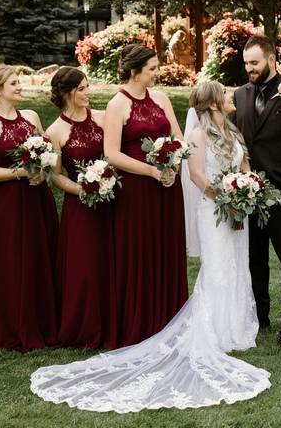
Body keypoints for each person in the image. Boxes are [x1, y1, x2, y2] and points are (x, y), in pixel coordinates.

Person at [30, 81, 270, 412]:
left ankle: (236, 324)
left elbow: (194, 149)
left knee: (236, 265)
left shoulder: (225, 129)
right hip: (184, 202)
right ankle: (210, 327)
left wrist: (245, 189)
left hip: (221, 205)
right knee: (217, 267)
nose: (232, 98)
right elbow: (192, 172)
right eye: (152, 69)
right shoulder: (110, 110)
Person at [102, 44, 187, 346]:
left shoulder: (161, 98)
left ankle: (171, 319)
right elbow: (111, 153)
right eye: (151, 68)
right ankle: (141, 322)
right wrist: (151, 171)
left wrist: (173, 163)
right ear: (135, 71)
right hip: (137, 191)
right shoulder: (117, 104)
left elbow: (178, 138)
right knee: (140, 252)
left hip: (167, 187)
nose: (157, 73)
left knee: (167, 248)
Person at [233, 34, 281, 345]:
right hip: (248, 191)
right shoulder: (239, 95)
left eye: (254, 63)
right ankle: (259, 315)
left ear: (271, 60)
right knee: (254, 258)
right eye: (246, 64)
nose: (249, 69)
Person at [0, 65, 60, 351]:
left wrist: (44, 165)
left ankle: (46, 322)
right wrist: (22, 172)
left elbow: (50, 151)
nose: (20, 87)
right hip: (10, 202)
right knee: (13, 260)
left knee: (41, 255)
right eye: (14, 83)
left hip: (38, 199)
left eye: (19, 82)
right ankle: (12, 325)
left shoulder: (31, 117)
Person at [44, 66, 117, 349]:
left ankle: (114, 322)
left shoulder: (102, 118)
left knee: (112, 261)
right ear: (66, 93)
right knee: (85, 267)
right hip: (80, 209)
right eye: (82, 89)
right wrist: (84, 189)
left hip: (111, 203)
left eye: (88, 87)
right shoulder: (55, 131)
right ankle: (85, 327)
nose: (89, 93)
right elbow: (57, 175)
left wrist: (106, 184)